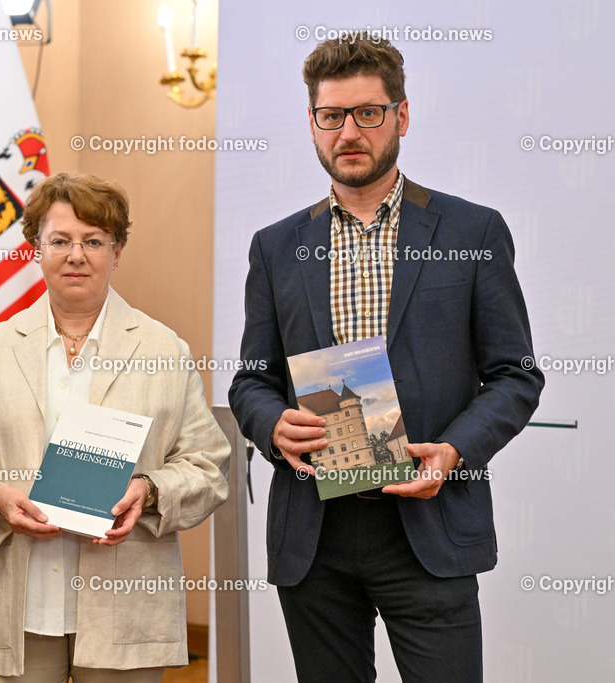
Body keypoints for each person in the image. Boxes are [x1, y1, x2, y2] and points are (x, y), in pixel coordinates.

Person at [228, 36, 544, 682]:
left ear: (401, 116)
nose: (349, 131)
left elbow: (515, 374)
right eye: (331, 115)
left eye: (368, 113)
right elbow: (252, 380)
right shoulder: (277, 247)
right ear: (313, 124)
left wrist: (454, 452)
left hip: (428, 528)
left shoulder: (470, 232)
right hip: (314, 537)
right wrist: (270, 423)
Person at [0, 172, 230, 681]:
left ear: (116, 252)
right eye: (60, 240)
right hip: (20, 606)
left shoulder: (163, 349)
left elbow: (208, 467)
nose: (77, 255)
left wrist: (150, 490)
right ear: (34, 248)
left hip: (127, 600)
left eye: (94, 241)